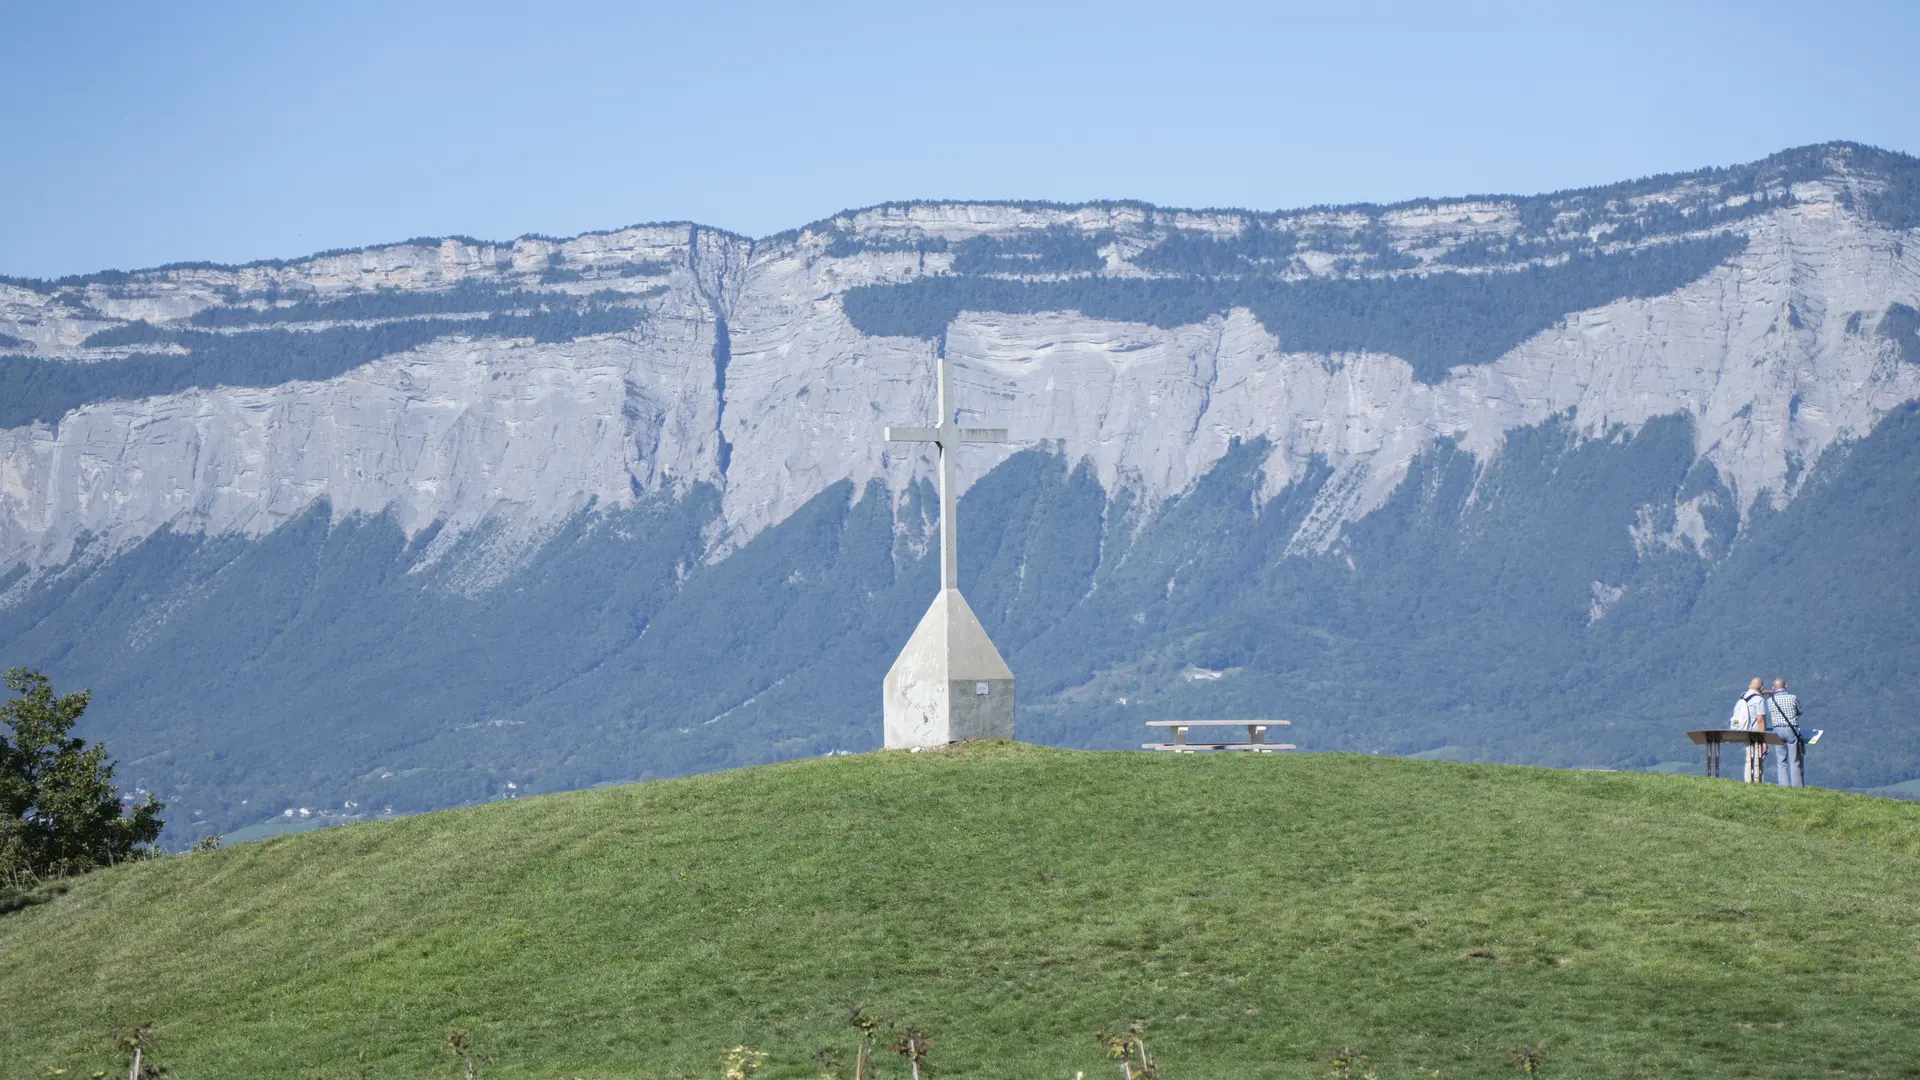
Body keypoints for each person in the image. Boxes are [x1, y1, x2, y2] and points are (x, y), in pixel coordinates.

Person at [1728, 677, 1769, 783]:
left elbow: (1754, 692)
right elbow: (1760, 720)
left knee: (1749, 758)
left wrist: (1765, 691)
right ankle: (1756, 781)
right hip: (1755, 732)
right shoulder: (1759, 700)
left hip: (1745, 731)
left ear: (1749, 686)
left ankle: (1748, 780)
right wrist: (1764, 739)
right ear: (1762, 687)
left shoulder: (1744, 696)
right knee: (1757, 759)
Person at [1768, 678, 1806, 787]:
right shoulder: (1792, 698)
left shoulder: (1770, 701)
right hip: (1791, 729)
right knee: (1794, 760)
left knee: (1781, 760)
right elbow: (1800, 711)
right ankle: (1797, 786)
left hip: (1777, 730)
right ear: (1786, 686)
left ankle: (1783, 785)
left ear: (1773, 688)